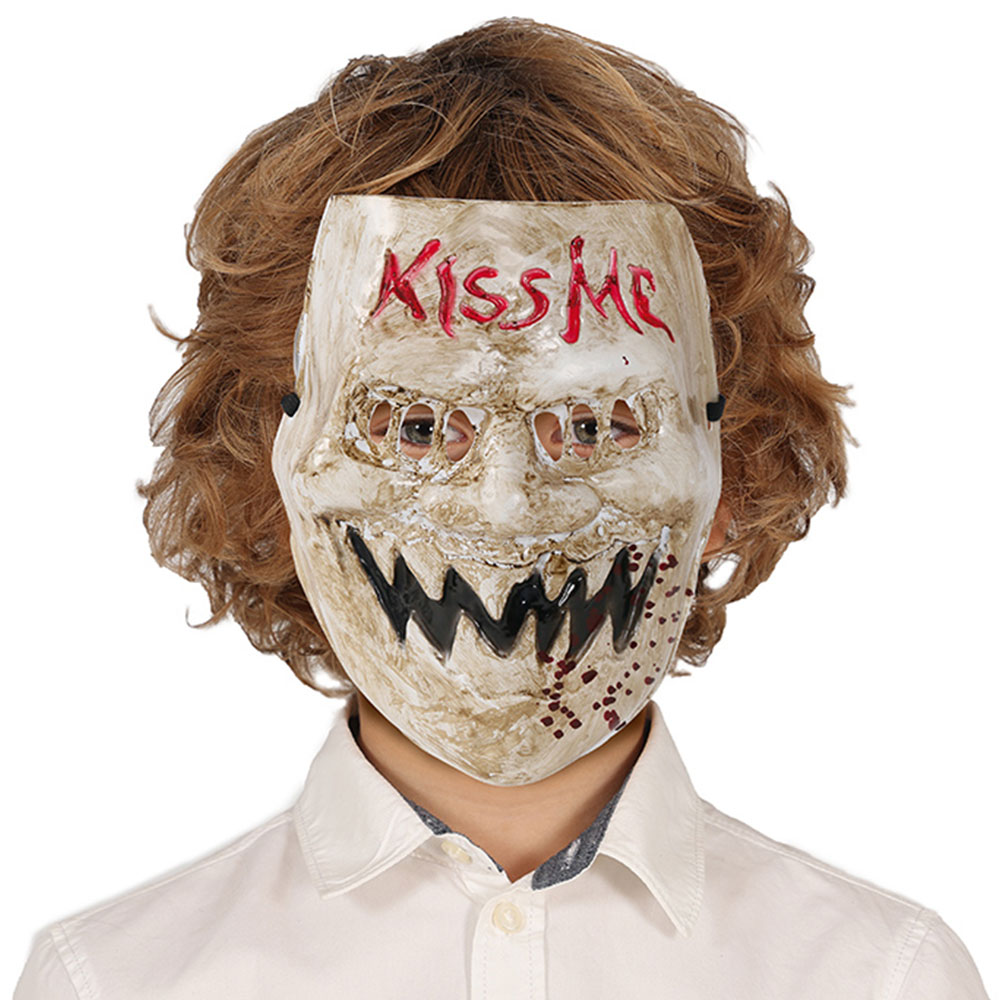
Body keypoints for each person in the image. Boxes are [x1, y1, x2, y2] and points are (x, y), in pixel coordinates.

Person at [14, 18, 989, 999]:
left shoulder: (882, 977)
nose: (506, 510)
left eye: (596, 424)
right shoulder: (115, 982)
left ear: (725, 478)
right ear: (275, 476)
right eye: (416, 425)